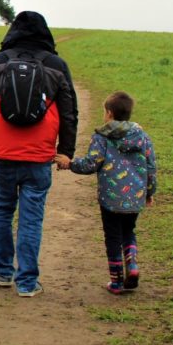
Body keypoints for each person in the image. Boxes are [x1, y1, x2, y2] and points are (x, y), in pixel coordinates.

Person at [0, 11, 78, 297]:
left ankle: (2, 271)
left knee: (1, 210)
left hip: (2, 151)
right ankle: (28, 283)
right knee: (32, 217)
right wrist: (65, 150)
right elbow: (69, 113)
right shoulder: (56, 65)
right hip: (39, 155)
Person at [54, 91, 156, 294]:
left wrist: (69, 163)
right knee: (129, 232)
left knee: (112, 237)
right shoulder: (142, 137)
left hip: (110, 198)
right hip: (135, 197)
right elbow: (151, 167)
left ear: (108, 113)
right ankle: (133, 266)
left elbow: (91, 163)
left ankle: (117, 282)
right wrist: (149, 192)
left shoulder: (102, 137)